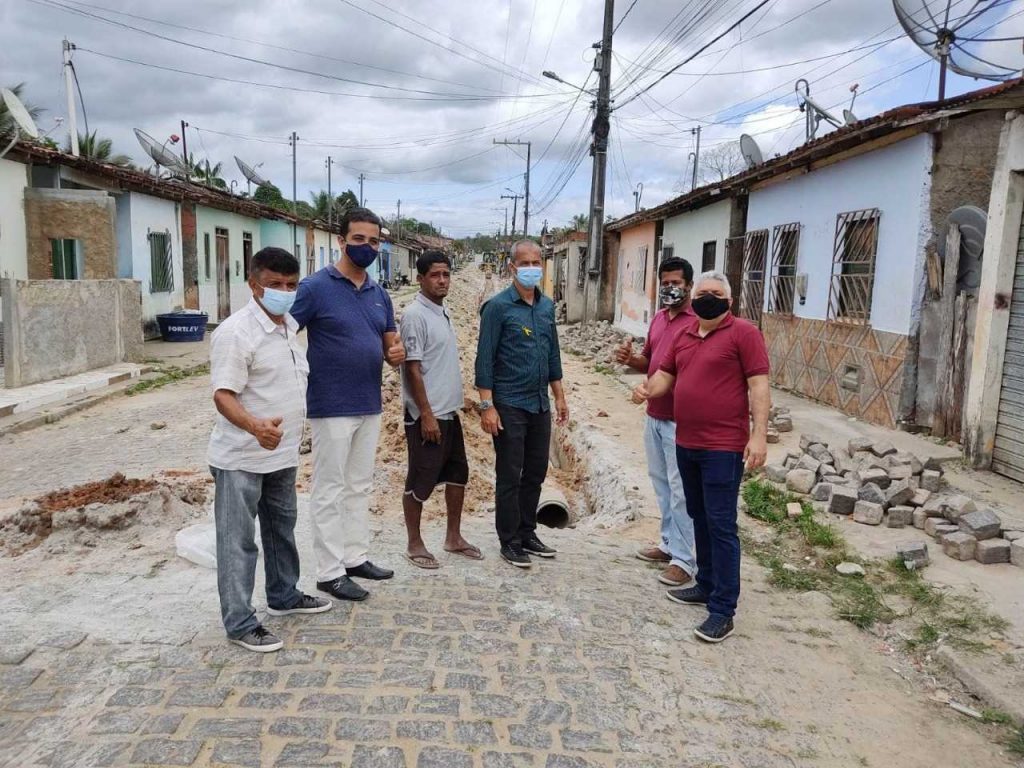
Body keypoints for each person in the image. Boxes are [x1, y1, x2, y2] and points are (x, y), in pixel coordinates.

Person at [633, 270, 770, 644]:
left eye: (715, 292)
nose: (707, 297)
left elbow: (759, 385)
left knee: (721, 523)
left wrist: (758, 436)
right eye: (702, 292)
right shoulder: (685, 333)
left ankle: (723, 610)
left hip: (723, 446)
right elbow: (665, 375)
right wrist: (648, 389)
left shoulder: (745, 333)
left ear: (729, 300)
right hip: (686, 442)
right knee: (698, 515)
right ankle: (706, 583)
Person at [207, 247, 332, 653]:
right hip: (242, 456)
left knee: (281, 528)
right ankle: (240, 621)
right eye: (274, 285)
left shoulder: (288, 326)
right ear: (253, 285)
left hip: (281, 454)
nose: (283, 291)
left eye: (291, 285)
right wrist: (254, 426)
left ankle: (284, 595)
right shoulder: (236, 332)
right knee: (237, 541)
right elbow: (223, 395)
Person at [291, 207, 406, 603]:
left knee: (359, 485)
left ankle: (355, 557)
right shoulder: (314, 288)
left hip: (369, 403)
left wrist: (394, 353)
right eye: (358, 239)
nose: (366, 247)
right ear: (341, 241)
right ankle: (328, 572)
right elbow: (284, 334)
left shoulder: (380, 294)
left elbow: (390, 342)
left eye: (374, 241)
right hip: (330, 404)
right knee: (329, 489)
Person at [475, 239, 569, 568]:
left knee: (536, 473)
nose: (532, 268)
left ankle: (528, 532)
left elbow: (552, 352)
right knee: (510, 475)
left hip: (539, 405)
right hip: (509, 404)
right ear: (512, 267)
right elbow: (484, 360)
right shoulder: (498, 307)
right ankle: (509, 539)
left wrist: (559, 395)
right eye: (525, 263)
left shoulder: (545, 307)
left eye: (536, 262)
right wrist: (488, 406)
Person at [615, 257, 697, 588]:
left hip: (681, 420)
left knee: (681, 492)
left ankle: (685, 559)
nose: (670, 288)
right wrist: (631, 360)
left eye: (676, 283)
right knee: (661, 484)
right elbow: (650, 360)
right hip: (654, 415)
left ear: (689, 285)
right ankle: (668, 544)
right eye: (665, 283)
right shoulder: (660, 319)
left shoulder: (696, 322)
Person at [400, 250, 480, 568]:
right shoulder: (415, 315)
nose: (442, 280)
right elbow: (412, 368)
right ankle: (414, 543)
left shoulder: (440, 311)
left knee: (458, 474)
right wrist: (426, 414)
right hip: (427, 416)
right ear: (420, 279)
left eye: (446, 274)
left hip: (450, 412)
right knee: (421, 480)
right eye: (435, 275)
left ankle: (453, 537)